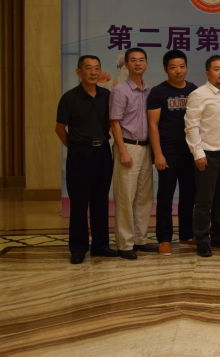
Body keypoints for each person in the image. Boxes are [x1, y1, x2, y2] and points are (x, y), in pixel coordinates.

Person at [55, 55, 118, 264]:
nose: (93, 72)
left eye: (97, 68)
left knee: (101, 201)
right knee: (79, 204)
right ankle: (78, 248)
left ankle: (101, 245)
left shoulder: (106, 96)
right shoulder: (69, 98)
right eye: (88, 68)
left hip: (102, 153)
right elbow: (59, 129)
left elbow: (111, 123)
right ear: (78, 72)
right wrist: (75, 146)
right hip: (79, 155)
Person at [184, 55, 220, 257]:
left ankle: (218, 235)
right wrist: (197, 153)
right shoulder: (199, 94)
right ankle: (202, 239)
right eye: (217, 69)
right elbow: (191, 126)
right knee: (204, 202)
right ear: (207, 73)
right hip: (207, 155)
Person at [146, 49, 198, 255]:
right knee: (166, 197)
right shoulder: (158, 92)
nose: (178, 71)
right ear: (166, 69)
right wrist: (158, 154)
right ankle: (164, 238)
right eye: (173, 67)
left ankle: (186, 234)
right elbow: (152, 125)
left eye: (182, 66)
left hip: (189, 151)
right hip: (168, 151)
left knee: (189, 195)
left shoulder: (193, 90)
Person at [109, 47, 156, 260]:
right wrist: (122, 151)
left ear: (146, 64)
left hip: (146, 148)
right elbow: (115, 123)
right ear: (127, 64)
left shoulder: (149, 91)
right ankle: (125, 244)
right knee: (125, 197)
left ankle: (140, 239)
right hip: (127, 147)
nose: (138, 63)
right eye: (133, 60)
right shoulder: (120, 90)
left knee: (144, 197)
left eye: (141, 60)